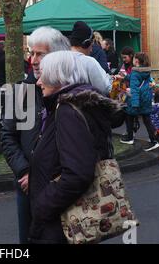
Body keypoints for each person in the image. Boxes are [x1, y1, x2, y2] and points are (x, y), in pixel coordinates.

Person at [28, 50, 121, 244]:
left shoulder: (68, 111)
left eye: (43, 75)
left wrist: (43, 204)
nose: (38, 82)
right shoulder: (74, 104)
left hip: (62, 223)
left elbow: (78, 173)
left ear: (58, 77)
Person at [1, 26, 70, 244]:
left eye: (40, 53)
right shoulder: (21, 91)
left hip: (58, 188)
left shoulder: (71, 93)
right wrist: (23, 171)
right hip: (26, 185)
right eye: (31, 53)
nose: (33, 59)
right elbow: (7, 136)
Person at [120, 52, 159, 151]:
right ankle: (155, 140)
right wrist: (125, 77)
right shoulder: (145, 71)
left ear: (136, 61)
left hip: (138, 100)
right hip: (146, 98)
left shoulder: (135, 72)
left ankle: (130, 138)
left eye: (134, 59)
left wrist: (135, 104)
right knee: (147, 119)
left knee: (129, 115)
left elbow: (135, 89)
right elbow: (138, 79)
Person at [68, 21, 112, 95]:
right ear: (86, 43)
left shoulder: (58, 59)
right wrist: (110, 79)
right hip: (84, 104)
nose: (91, 50)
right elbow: (104, 88)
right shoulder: (89, 62)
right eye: (91, 45)